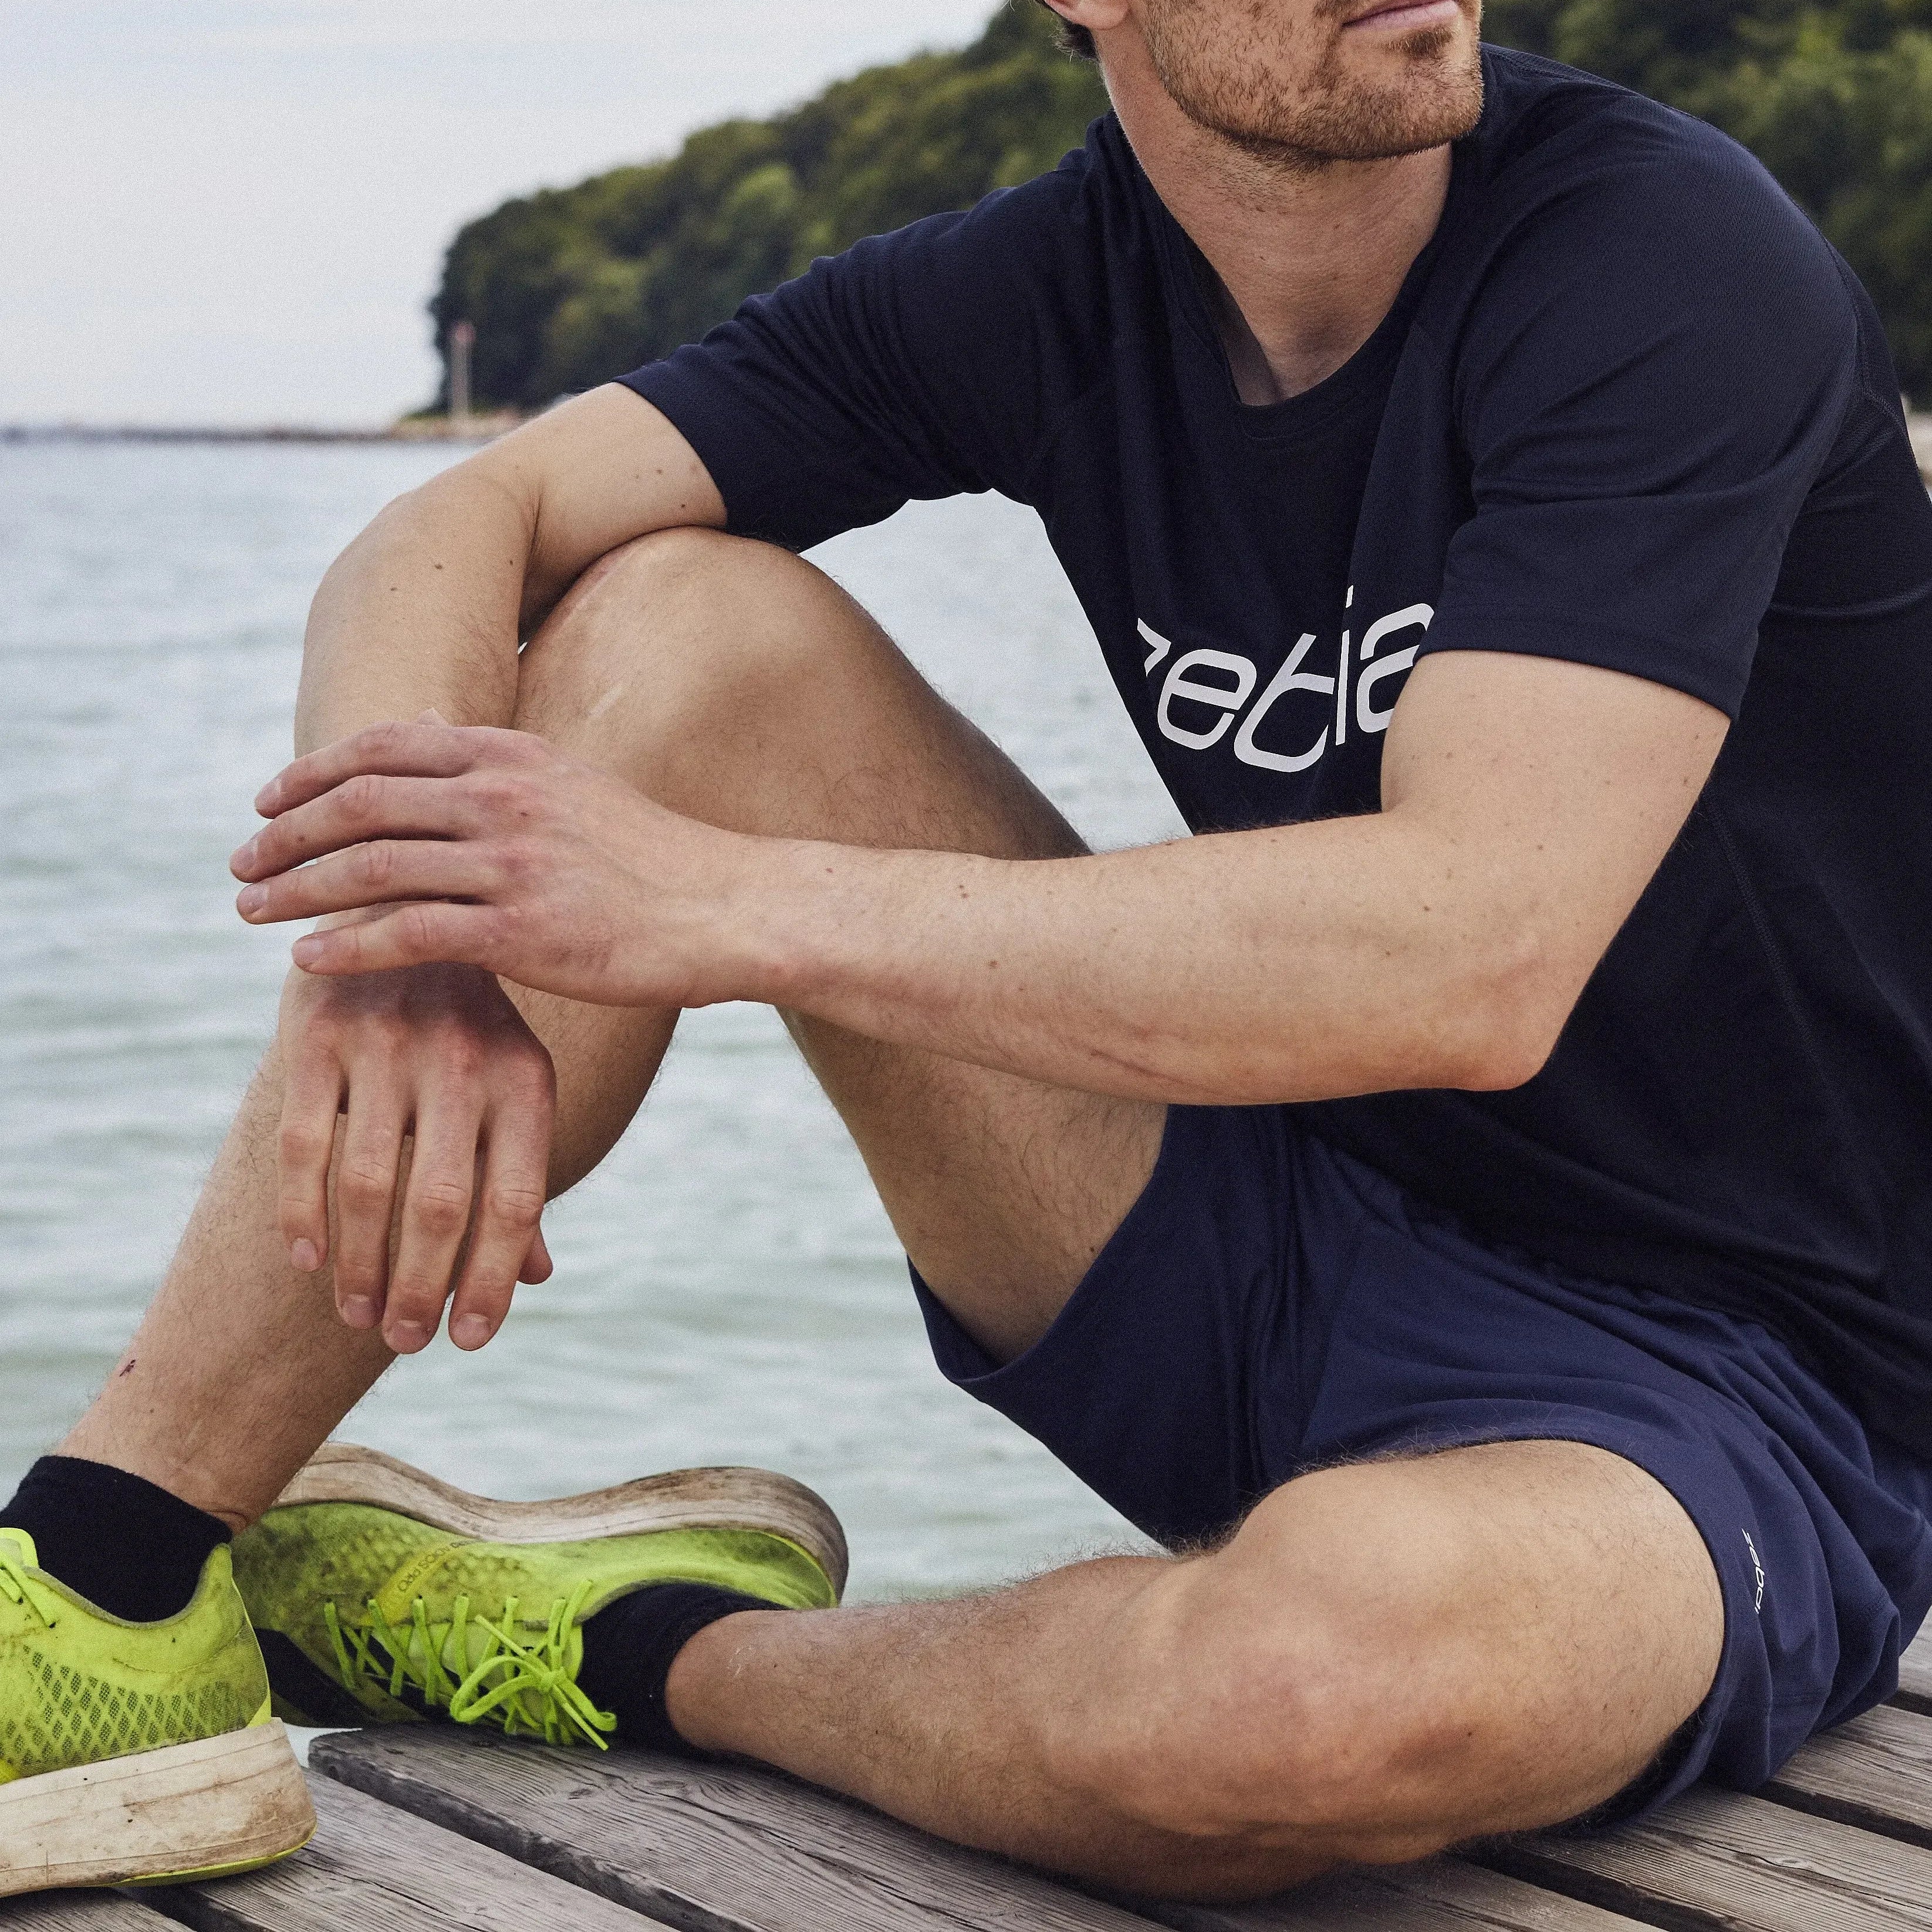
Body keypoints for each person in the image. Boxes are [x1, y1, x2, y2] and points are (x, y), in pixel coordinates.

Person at [5, 0, 1932, 1903]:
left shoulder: (1659, 261)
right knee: (681, 621)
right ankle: (102, 1577)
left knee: (1294, 1698)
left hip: (1750, 1390)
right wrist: (394, 937)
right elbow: (461, 515)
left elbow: (1469, 956)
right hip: (1261, 1230)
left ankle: (646, 1649)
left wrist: (710, 896)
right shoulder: (1055, 284)